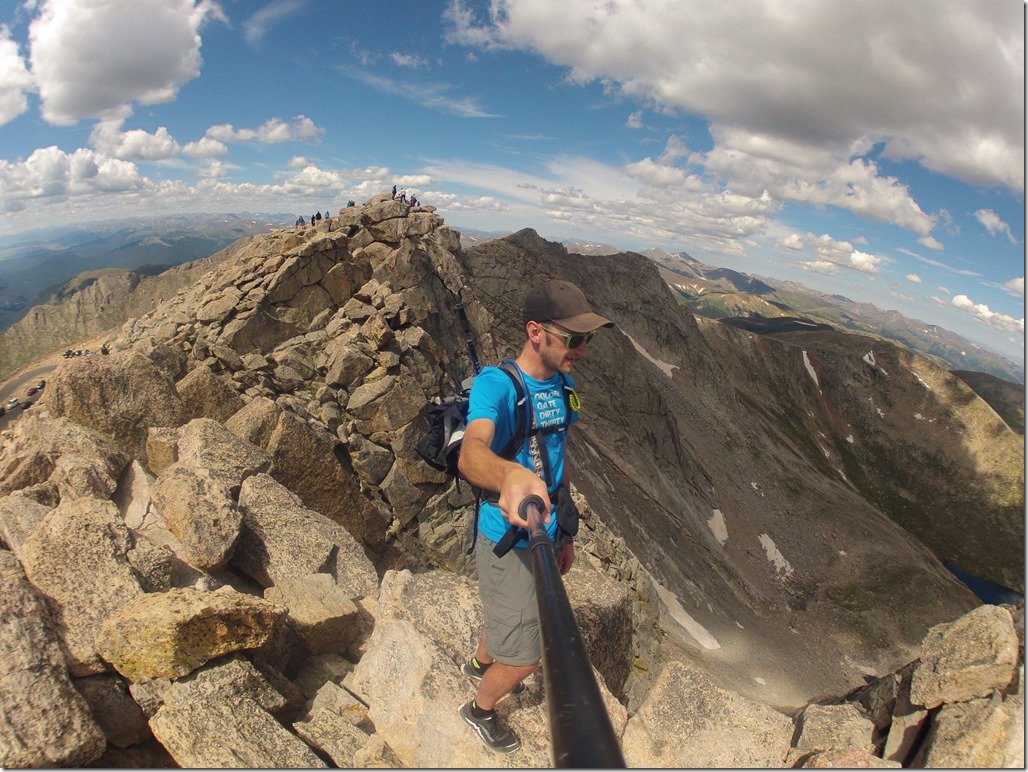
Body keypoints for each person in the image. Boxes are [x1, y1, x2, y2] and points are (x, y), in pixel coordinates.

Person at [456, 279, 613, 754]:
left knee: (511, 612)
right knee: (527, 657)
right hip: (505, 537)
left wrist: (564, 535)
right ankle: (480, 710)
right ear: (535, 332)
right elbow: (471, 453)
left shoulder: (564, 384)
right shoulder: (496, 386)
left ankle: (481, 662)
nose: (583, 351)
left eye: (588, 339)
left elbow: (557, 459)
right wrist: (508, 476)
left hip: (544, 532)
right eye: (574, 338)